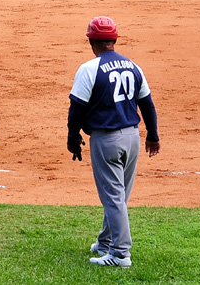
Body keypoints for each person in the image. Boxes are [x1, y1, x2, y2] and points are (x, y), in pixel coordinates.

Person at [67, 16, 160, 268]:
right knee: (119, 196)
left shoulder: (89, 68)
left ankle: (120, 254)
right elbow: (147, 104)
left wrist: (72, 137)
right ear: (114, 40)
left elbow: (76, 108)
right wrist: (153, 135)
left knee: (113, 197)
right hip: (133, 138)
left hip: (106, 139)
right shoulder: (134, 66)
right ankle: (106, 242)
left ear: (91, 41)